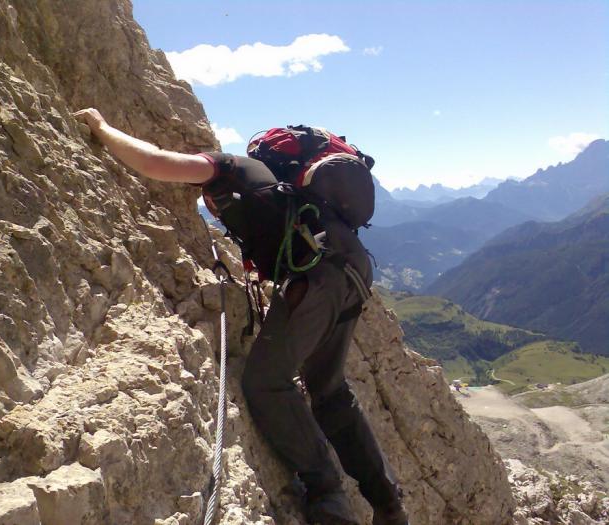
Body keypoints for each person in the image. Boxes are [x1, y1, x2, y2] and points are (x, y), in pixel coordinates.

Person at [74, 108, 409, 525]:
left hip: (319, 277)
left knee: (266, 383)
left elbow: (155, 161)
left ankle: (327, 494)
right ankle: (388, 503)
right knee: (330, 388)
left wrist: (103, 128)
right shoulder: (289, 194)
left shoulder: (229, 167)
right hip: (353, 270)